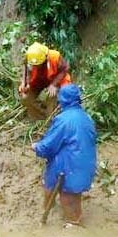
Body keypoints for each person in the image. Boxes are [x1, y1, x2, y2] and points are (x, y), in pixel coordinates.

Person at [33, 84, 97, 226]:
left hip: (68, 167)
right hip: (86, 166)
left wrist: (37, 147)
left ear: (62, 100)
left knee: (66, 198)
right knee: (74, 196)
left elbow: (48, 145)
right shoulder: (86, 117)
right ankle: (64, 215)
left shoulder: (64, 120)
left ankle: (71, 224)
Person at [18, 42, 72, 120]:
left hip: (54, 80)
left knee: (52, 96)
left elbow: (65, 69)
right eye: (34, 65)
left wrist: (53, 85)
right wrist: (24, 83)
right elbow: (26, 69)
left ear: (45, 59)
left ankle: (52, 115)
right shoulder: (29, 57)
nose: (35, 66)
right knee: (25, 98)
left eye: (38, 65)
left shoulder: (54, 56)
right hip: (38, 81)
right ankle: (41, 117)